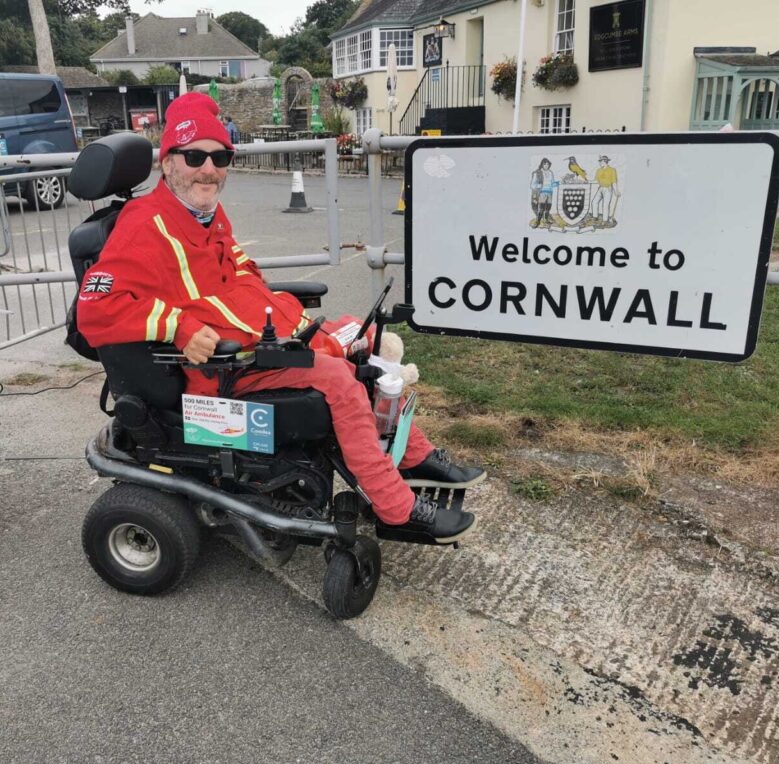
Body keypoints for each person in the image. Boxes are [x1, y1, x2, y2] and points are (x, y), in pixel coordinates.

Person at [77, 92, 484, 543]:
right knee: (339, 381)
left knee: (362, 336)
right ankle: (395, 508)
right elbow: (96, 308)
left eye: (221, 156)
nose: (209, 169)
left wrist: (278, 307)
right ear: (168, 161)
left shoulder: (205, 212)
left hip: (257, 342)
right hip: (218, 368)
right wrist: (179, 327)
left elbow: (239, 269)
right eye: (195, 156)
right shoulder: (142, 224)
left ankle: (412, 454)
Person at [530, 158, 555, 229]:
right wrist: (539, 186)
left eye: (548, 164)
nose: (546, 165)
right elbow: (532, 185)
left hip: (550, 192)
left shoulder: (551, 172)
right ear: (542, 164)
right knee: (541, 208)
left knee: (548, 208)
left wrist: (558, 183)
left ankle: (546, 220)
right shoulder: (538, 172)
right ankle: (537, 222)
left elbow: (552, 183)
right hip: (542, 192)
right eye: (545, 164)